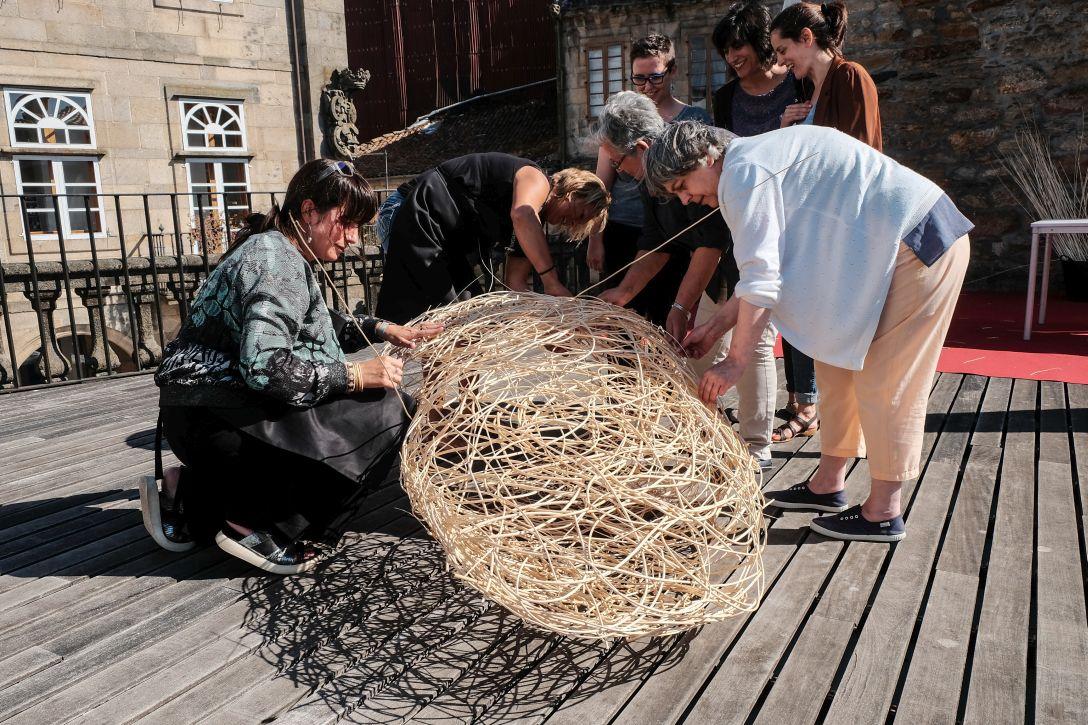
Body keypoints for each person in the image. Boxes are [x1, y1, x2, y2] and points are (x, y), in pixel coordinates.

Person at [644, 121, 972, 542]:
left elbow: (762, 279)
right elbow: (763, 274)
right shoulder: (749, 162)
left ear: (707, 157)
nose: (687, 198)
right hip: (888, 251)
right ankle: (827, 485)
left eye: (682, 184)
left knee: (887, 377)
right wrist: (714, 326)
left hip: (919, 243)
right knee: (835, 361)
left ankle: (883, 511)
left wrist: (736, 362)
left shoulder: (743, 173)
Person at [143, 159, 443, 575]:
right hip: (218, 421)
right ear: (308, 211)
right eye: (347, 222)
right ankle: (260, 527)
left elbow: (309, 323)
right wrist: (355, 375)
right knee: (389, 412)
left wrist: (382, 328)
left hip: (200, 415)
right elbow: (264, 367)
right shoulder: (275, 260)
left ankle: (189, 495)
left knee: (367, 407)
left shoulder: (275, 248)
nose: (354, 238)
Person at [593, 91, 775, 470]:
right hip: (718, 271)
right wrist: (625, 291)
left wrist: (680, 305)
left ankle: (757, 447)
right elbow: (658, 241)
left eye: (617, 160)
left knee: (752, 343)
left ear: (640, 147)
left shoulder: (686, 159)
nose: (616, 169)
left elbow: (710, 244)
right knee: (701, 349)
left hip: (750, 261)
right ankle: (708, 436)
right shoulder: (649, 179)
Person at [763, 1, 884, 442]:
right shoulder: (807, 94)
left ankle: (851, 441)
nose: (780, 62)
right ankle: (828, 431)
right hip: (817, 230)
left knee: (845, 341)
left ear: (807, 39)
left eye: (783, 49)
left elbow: (858, 158)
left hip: (844, 230)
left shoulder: (850, 77)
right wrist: (788, 129)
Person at [374, 152, 609, 324]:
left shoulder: (531, 229)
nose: (572, 223)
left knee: (472, 321)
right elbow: (522, 214)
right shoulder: (537, 180)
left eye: (579, 224)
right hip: (412, 210)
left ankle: (467, 394)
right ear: (570, 191)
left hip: (442, 236)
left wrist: (555, 320)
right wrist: (551, 280)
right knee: (447, 319)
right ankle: (422, 389)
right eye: (579, 214)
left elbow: (516, 284)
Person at [584, 34, 710, 326]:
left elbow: (706, 236)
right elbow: (602, 186)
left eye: (654, 77)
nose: (647, 87)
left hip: (680, 238)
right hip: (630, 232)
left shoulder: (695, 123)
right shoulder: (616, 124)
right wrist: (595, 238)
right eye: (638, 79)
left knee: (669, 319)